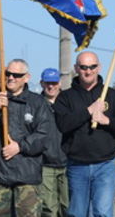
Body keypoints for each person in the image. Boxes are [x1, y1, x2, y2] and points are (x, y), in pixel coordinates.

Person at [53, 52, 115, 217]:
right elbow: (63, 124)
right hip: (77, 166)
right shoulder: (65, 97)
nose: (88, 71)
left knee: (102, 212)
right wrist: (88, 111)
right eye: (83, 67)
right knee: (77, 213)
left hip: (105, 165)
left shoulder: (113, 96)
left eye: (92, 67)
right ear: (76, 68)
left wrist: (107, 121)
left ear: (99, 67)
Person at [0, 59, 49, 217]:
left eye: (17, 75)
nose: (11, 78)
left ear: (26, 78)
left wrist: (20, 146)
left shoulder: (38, 102)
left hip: (27, 176)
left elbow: (43, 135)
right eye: (8, 73)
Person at [36, 68, 68, 217]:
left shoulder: (68, 103)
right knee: (48, 208)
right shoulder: (35, 104)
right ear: (42, 83)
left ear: (59, 83)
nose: (51, 86)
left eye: (54, 83)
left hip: (68, 163)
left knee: (68, 206)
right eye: (48, 83)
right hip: (45, 165)